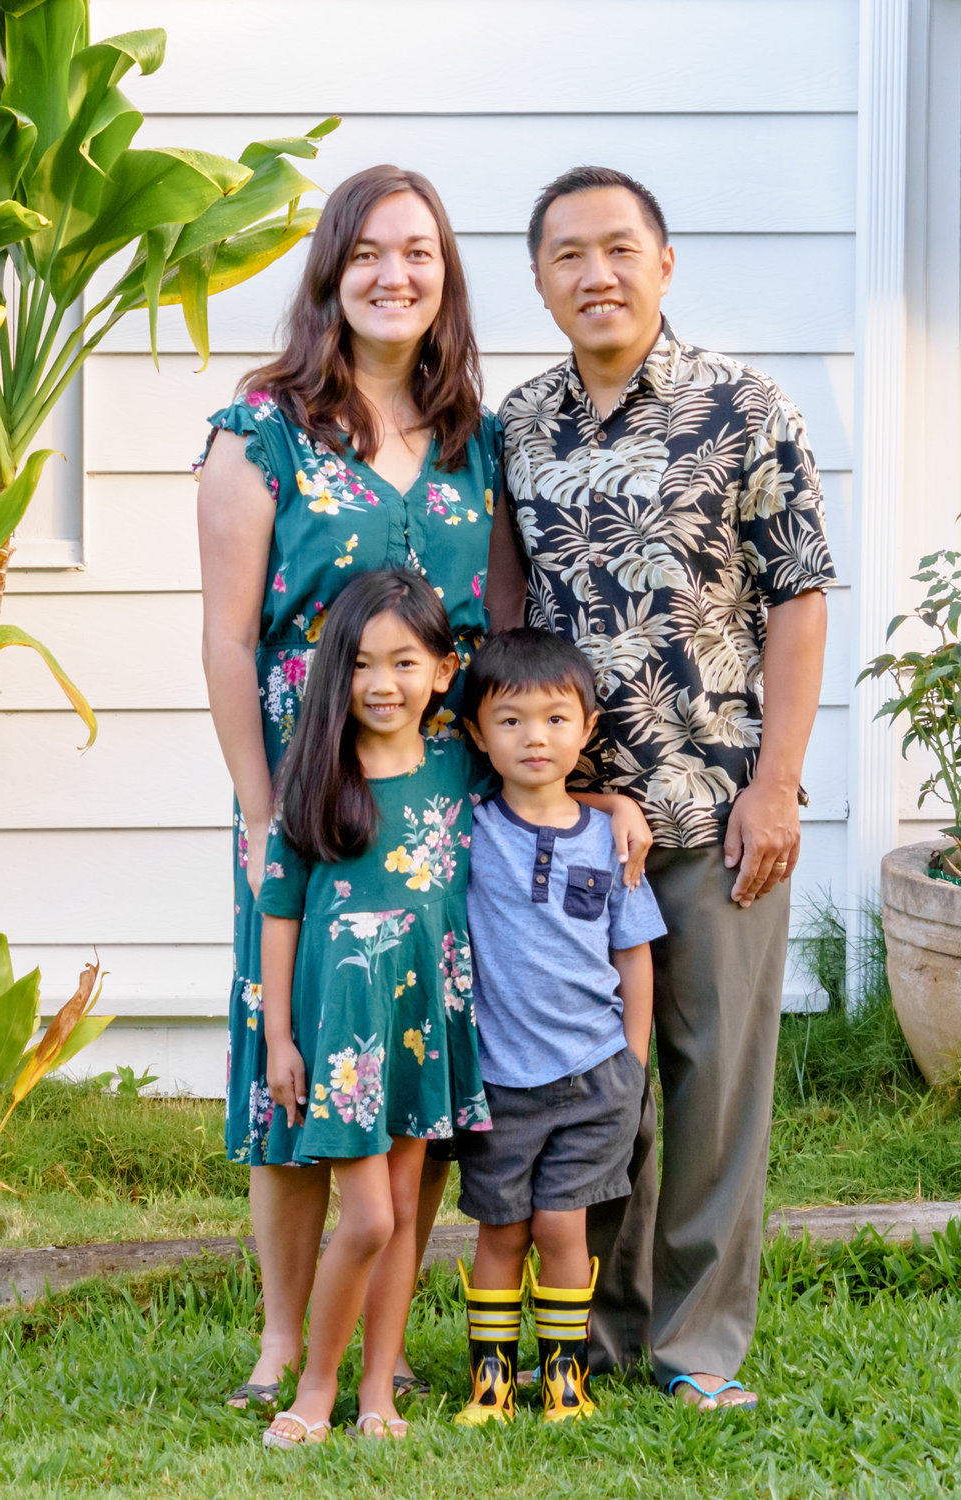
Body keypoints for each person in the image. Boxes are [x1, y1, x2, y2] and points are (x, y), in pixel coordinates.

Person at [488, 166, 837, 1409]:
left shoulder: (746, 406)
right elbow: (508, 611)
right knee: (598, 1080)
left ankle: (695, 1347)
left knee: (713, 1083)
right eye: (568, 255)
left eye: (621, 248)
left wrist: (780, 785)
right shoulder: (518, 426)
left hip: (715, 810)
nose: (598, 274)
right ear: (537, 280)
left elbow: (799, 600)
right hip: (567, 829)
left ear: (666, 262)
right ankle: (602, 1330)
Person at [197, 164, 502, 1409]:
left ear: (445, 273)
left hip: (442, 800)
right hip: (306, 792)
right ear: (332, 272)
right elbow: (226, 639)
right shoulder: (261, 425)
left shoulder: (477, 434)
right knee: (297, 1064)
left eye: (419, 252)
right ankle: (282, 1336)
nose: (396, 274)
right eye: (370, 252)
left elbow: (502, 626)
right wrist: (260, 808)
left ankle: (383, 1330)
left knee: (413, 1051)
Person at [256, 569, 492, 1447]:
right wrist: (279, 1037)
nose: (381, 683)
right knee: (369, 1217)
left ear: (442, 668)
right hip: (343, 1027)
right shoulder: (315, 772)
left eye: (403, 661)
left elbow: (548, 795)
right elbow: (278, 912)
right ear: (336, 673)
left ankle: (376, 1397)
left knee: (401, 1218)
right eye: (360, 664)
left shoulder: (460, 769)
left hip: (423, 1020)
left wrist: (614, 806)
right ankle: (314, 1393)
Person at [452, 629, 666, 1427]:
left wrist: (631, 1061)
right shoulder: (471, 831)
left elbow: (634, 955)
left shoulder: (613, 844)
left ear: (586, 729)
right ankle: (490, 1389)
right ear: (478, 734)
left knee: (562, 1224)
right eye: (509, 722)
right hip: (499, 1080)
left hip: (593, 1074)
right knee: (502, 1230)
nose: (533, 737)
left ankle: (565, 1385)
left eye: (553, 719)